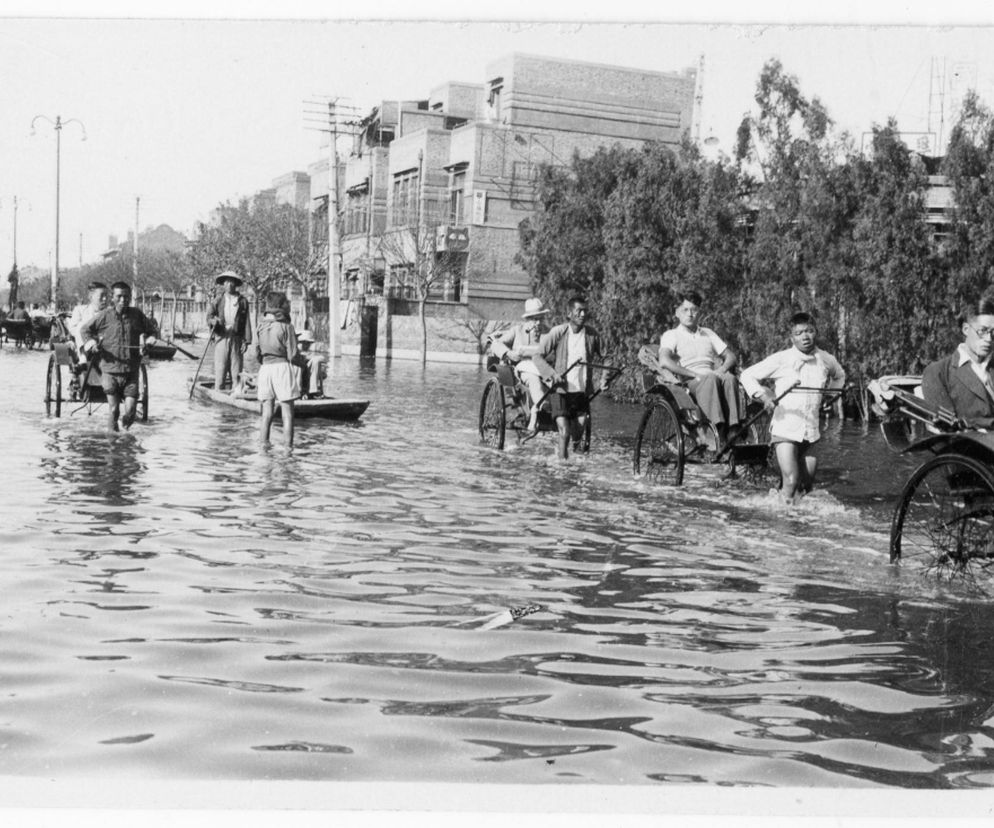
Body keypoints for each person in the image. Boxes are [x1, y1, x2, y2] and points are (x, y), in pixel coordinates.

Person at [740, 311, 846, 504]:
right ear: (792, 337)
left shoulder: (825, 359)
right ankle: (782, 526)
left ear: (815, 333)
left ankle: (798, 524)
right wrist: (764, 396)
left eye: (809, 331)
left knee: (806, 486)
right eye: (799, 333)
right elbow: (747, 375)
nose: (805, 336)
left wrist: (830, 396)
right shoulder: (782, 359)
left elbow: (840, 375)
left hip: (811, 432)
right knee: (791, 481)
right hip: (785, 429)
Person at [655, 290, 742, 445]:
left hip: (712, 376)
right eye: (685, 310)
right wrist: (693, 374)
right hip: (690, 382)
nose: (690, 314)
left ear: (699, 313)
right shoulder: (672, 335)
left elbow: (731, 356)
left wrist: (721, 369)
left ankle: (734, 428)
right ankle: (717, 430)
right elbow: (664, 361)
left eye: (694, 310)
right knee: (710, 378)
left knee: (729, 378)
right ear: (677, 313)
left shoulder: (707, 333)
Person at [532, 296, 606, 461]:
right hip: (560, 390)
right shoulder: (558, 332)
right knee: (564, 431)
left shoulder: (593, 335)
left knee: (580, 425)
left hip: (580, 391)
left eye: (585, 311)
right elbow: (537, 356)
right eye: (578, 311)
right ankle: (562, 467)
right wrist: (552, 374)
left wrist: (604, 379)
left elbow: (607, 356)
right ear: (569, 314)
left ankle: (570, 458)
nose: (582, 314)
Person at [81, 281, 157, 432]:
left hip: (131, 371)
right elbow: (85, 330)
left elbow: (152, 332)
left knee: (130, 412)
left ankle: (125, 441)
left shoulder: (137, 315)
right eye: (119, 296)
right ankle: (113, 445)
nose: (123, 300)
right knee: (114, 410)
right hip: (110, 371)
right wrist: (92, 344)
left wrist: (149, 342)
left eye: (126, 297)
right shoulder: (104, 316)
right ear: (113, 298)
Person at [921, 298, 994, 429]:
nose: (989, 339)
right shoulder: (938, 372)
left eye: (993, 333)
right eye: (982, 331)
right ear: (966, 329)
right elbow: (948, 430)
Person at [488, 297, 552, 432]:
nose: (538, 323)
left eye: (541, 318)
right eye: (534, 319)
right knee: (533, 380)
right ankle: (542, 406)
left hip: (545, 369)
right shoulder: (517, 331)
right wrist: (508, 353)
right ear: (527, 320)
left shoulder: (550, 333)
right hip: (523, 370)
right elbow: (496, 344)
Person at [255, 292, 300, 447]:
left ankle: (264, 446)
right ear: (282, 306)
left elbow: (257, 354)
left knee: (266, 414)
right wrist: (304, 363)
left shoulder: (260, 326)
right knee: (287, 414)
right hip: (281, 368)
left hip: (265, 369)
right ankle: (288, 450)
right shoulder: (286, 326)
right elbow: (293, 355)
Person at [207, 270, 252, 392]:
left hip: (236, 337)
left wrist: (246, 341)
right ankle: (219, 391)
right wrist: (214, 321)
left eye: (232, 282)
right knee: (220, 369)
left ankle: (236, 393)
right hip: (221, 336)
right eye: (227, 282)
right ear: (223, 284)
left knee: (236, 370)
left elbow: (246, 321)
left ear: (236, 284)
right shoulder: (218, 299)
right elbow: (209, 316)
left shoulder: (242, 301)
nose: (229, 285)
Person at [68, 281, 109, 357]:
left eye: (106, 296)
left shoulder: (109, 312)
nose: (105, 299)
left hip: (104, 343)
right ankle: (83, 357)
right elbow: (73, 328)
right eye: (102, 296)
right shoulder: (80, 310)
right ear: (91, 297)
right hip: (84, 344)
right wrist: (90, 336)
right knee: (81, 326)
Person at [295, 330, 325, 399]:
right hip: (296, 373)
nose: (306, 345)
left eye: (308, 343)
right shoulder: (294, 351)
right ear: (298, 343)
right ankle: (299, 392)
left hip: (307, 373)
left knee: (316, 361)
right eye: (304, 343)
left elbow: (322, 359)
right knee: (299, 363)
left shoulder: (310, 355)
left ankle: (313, 391)